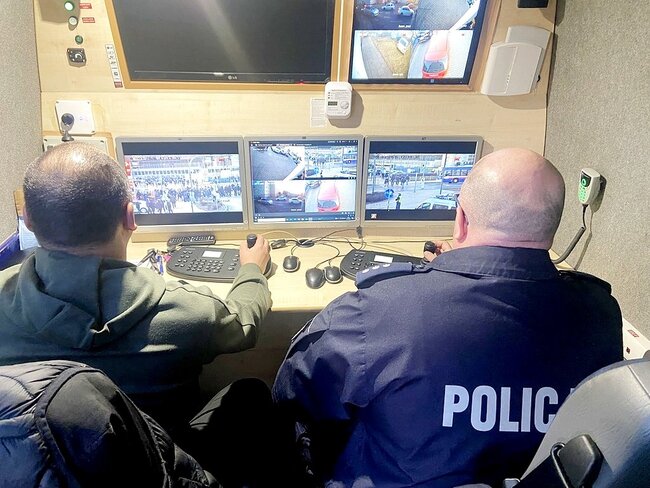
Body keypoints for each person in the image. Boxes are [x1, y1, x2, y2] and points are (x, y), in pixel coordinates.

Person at [272, 148, 623, 487]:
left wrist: (432, 280)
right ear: (552, 226)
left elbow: (291, 393)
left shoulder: (376, 311)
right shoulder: (601, 313)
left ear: (461, 220)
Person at [0, 142, 273, 486]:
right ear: (130, 217)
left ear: (27, 220)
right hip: (163, 466)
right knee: (249, 392)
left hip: (51, 472)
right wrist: (251, 270)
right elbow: (243, 326)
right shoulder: (187, 310)